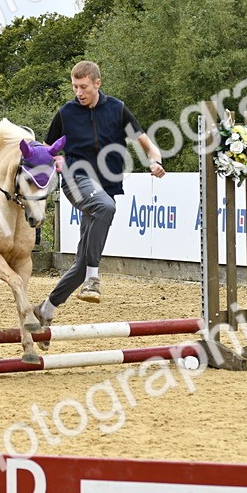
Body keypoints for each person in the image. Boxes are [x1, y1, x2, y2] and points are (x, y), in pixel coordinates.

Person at [36, 61, 164, 327]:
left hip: (104, 188)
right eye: (74, 87)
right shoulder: (66, 113)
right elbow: (45, 150)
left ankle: (46, 308)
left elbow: (147, 144)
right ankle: (93, 278)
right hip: (75, 180)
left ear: (97, 83)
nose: (78, 92)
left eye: (83, 87)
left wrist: (155, 161)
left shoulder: (117, 109)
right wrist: (55, 160)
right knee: (106, 207)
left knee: (82, 260)